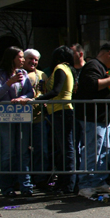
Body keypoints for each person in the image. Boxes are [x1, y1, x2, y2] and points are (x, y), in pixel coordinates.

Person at [74, 43, 110, 197]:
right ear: (109, 53)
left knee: (103, 151)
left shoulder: (101, 67)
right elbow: (90, 85)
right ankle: (85, 184)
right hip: (93, 117)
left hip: (102, 118)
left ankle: (98, 181)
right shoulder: (93, 65)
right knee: (92, 151)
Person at [34, 46, 77, 195]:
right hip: (60, 111)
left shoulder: (60, 68)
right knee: (64, 148)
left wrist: (37, 99)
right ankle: (65, 182)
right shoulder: (66, 68)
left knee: (66, 148)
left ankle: (68, 184)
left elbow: (56, 91)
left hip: (62, 111)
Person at [0, 46, 35, 197]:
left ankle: (26, 186)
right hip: (5, 119)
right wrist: (9, 83)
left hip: (21, 116)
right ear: (11, 58)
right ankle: (7, 187)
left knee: (23, 152)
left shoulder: (23, 73)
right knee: (7, 152)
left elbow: (29, 92)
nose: (23, 59)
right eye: (20, 57)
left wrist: (22, 98)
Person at [24, 48, 50, 174]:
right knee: (22, 150)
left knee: (41, 149)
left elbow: (46, 92)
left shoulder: (42, 75)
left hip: (39, 118)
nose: (33, 62)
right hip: (22, 118)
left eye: (36, 60)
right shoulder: (19, 74)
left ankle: (40, 178)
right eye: (31, 59)